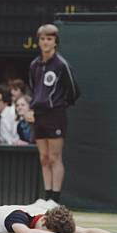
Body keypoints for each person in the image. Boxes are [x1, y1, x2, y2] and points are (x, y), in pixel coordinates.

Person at [29, 24, 80, 205]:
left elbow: (73, 90)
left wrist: (60, 104)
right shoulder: (34, 64)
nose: (45, 42)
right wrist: (31, 108)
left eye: (49, 39)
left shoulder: (61, 64)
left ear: (55, 42)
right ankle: (47, 196)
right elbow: (34, 90)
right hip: (39, 115)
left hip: (56, 114)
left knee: (54, 157)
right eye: (42, 39)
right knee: (43, 157)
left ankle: (55, 199)